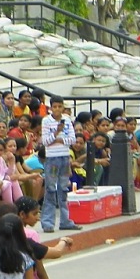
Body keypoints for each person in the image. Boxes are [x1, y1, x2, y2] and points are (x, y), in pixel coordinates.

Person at [40, 96, 81, 233]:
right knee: (50, 189)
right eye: (55, 107)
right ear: (51, 108)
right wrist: (57, 133)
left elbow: (72, 139)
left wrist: (59, 140)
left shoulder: (67, 120)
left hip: (64, 157)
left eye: (60, 106)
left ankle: (65, 220)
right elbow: (45, 141)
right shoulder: (46, 120)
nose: (57, 109)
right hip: (52, 158)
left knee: (63, 189)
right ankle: (47, 223)